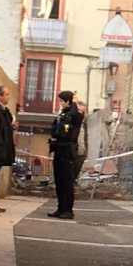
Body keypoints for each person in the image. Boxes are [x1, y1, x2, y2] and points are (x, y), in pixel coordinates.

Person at [47, 91, 84, 219]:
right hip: (59, 148)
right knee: (59, 180)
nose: (60, 104)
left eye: (62, 101)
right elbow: (54, 130)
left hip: (68, 151)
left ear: (68, 101)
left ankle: (68, 209)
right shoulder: (62, 115)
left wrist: (72, 102)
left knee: (67, 181)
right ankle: (60, 207)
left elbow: (75, 115)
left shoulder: (76, 115)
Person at [72, 102, 88, 182]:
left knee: (79, 162)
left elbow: (83, 137)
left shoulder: (84, 123)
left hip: (80, 149)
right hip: (74, 148)